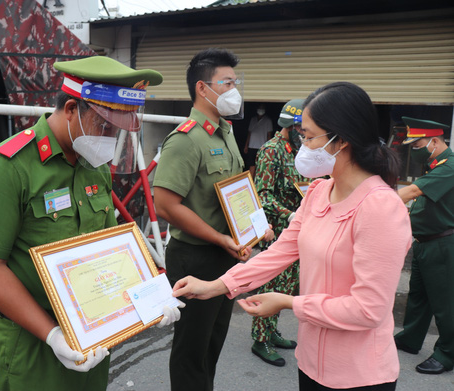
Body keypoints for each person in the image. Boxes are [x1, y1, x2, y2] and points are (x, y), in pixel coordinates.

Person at [172, 81, 413, 390]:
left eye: (310, 137)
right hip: (311, 362)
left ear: (342, 141)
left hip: (359, 374)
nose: (304, 147)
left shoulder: (380, 209)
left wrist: (289, 303)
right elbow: (280, 252)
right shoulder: (318, 192)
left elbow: (368, 309)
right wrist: (215, 286)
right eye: (302, 136)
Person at [0, 56, 180, 391]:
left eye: (118, 130)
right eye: (105, 126)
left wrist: (151, 295)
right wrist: (52, 334)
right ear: (70, 108)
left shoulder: (91, 163)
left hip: (96, 332)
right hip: (34, 341)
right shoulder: (6, 168)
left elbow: (113, 246)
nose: (110, 139)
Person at [153, 48, 274, 391]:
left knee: (212, 343)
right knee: (192, 348)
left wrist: (254, 228)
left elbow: (236, 192)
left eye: (236, 82)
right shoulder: (186, 140)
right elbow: (165, 204)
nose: (234, 90)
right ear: (203, 89)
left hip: (226, 254)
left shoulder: (225, 132)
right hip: (195, 257)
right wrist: (221, 239)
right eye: (227, 83)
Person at [393, 116, 454, 375]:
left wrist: (371, 200)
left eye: (417, 146)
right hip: (423, 242)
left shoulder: (450, 166)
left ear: (434, 141)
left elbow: (412, 192)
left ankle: (447, 354)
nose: (413, 151)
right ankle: (410, 339)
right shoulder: (435, 164)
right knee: (418, 296)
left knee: (445, 302)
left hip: (442, 244)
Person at [250, 99, 306, 367]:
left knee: (286, 286)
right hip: (277, 232)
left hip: (296, 231)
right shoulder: (271, 151)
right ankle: (260, 340)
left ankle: (272, 330)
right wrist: (290, 214)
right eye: (302, 129)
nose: (306, 135)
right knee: (271, 284)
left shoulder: (296, 150)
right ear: (291, 127)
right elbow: (263, 197)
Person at [244, 104, 273, 178]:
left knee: (260, 166)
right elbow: (249, 133)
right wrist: (246, 146)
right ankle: (251, 183)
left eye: (262, 108)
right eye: (259, 108)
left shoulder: (268, 121)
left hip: (262, 147)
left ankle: (256, 183)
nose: (261, 110)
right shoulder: (253, 119)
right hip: (252, 146)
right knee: (251, 165)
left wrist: (268, 148)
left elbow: (269, 135)